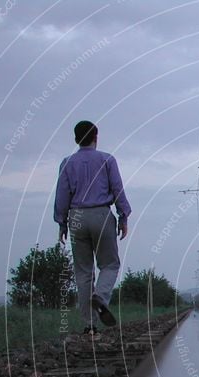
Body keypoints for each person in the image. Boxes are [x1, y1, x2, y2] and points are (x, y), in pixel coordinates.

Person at [54, 120, 131, 338]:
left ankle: (89, 325)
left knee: (83, 272)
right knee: (110, 264)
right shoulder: (107, 159)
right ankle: (101, 296)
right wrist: (123, 215)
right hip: (101, 214)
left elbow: (62, 195)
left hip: (76, 217)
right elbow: (117, 189)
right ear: (95, 137)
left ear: (76, 139)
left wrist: (62, 223)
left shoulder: (66, 164)